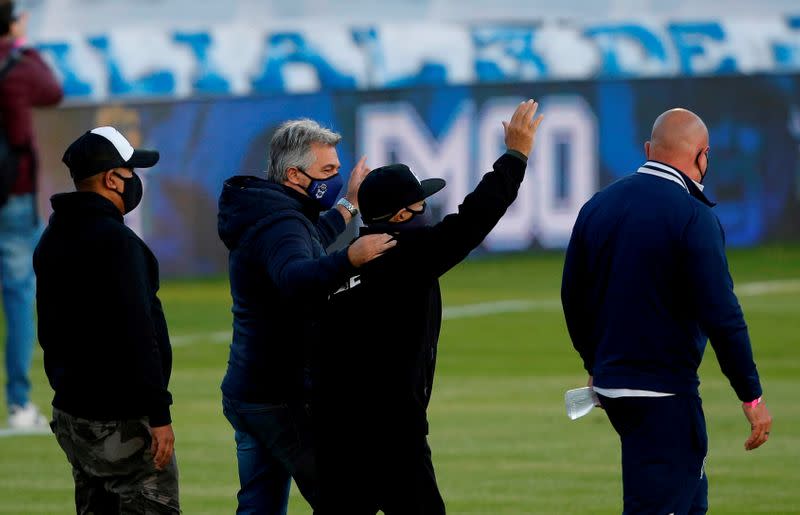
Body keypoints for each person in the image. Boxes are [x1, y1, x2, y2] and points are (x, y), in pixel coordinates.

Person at [313, 99, 544, 514]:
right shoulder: (406, 257)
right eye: (420, 204)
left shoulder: (344, 262)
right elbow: (475, 219)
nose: (428, 210)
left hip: (334, 434)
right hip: (391, 436)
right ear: (402, 215)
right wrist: (515, 156)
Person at [561, 108, 773, 514]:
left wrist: (595, 360)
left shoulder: (598, 205)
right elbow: (722, 315)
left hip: (613, 386)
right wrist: (751, 395)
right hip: (663, 392)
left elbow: (573, 295)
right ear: (701, 155)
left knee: (691, 498)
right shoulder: (694, 216)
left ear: (647, 150)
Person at [217, 118, 395, 514]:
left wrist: (348, 204)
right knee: (347, 501)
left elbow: (305, 240)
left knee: (260, 507)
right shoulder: (282, 222)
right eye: (328, 172)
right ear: (294, 174)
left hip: (248, 388)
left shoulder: (266, 210)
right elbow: (295, 275)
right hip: (279, 396)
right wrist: (351, 258)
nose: (334, 179)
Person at [33, 127, 179, 513]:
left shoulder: (53, 237)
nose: (134, 180)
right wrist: (159, 414)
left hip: (72, 412)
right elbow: (139, 334)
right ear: (112, 178)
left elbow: (48, 332)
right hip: (123, 420)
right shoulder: (119, 244)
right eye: (130, 171)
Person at [0, 0, 62, 429]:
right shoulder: (18, 65)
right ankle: (20, 403)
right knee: (20, 295)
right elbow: (53, 91)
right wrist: (22, 44)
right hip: (12, 193)